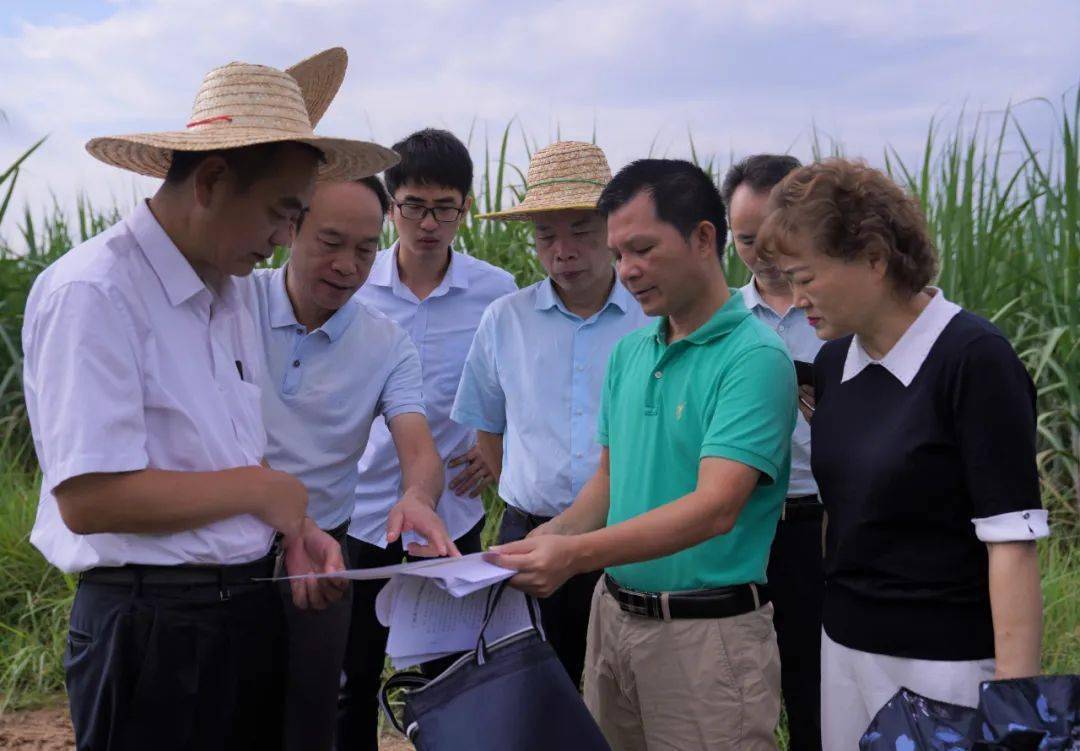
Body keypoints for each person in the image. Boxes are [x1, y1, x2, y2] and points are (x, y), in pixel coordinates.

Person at [21, 50, 398, 750]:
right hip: (151, 630)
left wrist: (293, 530)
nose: (285, 239)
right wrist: (260, 490)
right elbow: (90, 497)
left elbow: (220, 450)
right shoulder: (96, 293)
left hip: (243, 609)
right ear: (214, 179)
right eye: (284, 214)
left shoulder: (225, 292)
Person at [488, 159, 796, 750]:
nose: (627, 271)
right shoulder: (632, 352)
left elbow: (715, 508)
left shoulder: (754, 357)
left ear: (704, 238)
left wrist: (573, 554)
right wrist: (541, 540)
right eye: (619, 253)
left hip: (706, 640)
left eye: (643, 250)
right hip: (614, 623)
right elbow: (609, 480)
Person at [755, 158, 1047, 749]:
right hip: (843, 649)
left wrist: (1015, 708)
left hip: (947, 666)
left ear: (873, 256)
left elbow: (1011, 541)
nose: (796, 296)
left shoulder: (973, 358)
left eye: (806, 276)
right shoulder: (836, 363)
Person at [252, 175, 455, 751]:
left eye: (366, 249)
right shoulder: (234, 303)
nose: (348, 265)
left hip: (323, 559)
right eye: (330, 242)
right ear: (292, 228)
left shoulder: (386, 344)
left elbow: (417, 444)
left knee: (314, 718)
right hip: (225, 549)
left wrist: (417, 496)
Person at [338, 128, 517, 751]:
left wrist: (497, 448)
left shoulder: (495, 292)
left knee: (450, 669)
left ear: (464, 208)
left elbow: (513, 381)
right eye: (414, 205)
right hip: (357, 508)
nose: (429, 222)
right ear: (392, 206)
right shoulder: (354, 284)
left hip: (452, 510)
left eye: (446, 207)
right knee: (351, 672)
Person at [451, 141, 650, 687]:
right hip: (530, 534)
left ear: (611, 229)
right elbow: (487, 430)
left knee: (624, 694)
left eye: (581, 232)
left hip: (631, 538)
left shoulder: (654, 319)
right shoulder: (504, 319)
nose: (562, 251)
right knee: (538, 692)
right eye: (545, 235)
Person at [721, 154, 823, 751]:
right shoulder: (721, 319)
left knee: (816, 685)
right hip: (738, 526)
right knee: (738, 683)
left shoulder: (842, 316)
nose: (760, 252)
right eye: (745, 239)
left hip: (821, 524)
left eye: (774, 236)